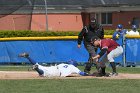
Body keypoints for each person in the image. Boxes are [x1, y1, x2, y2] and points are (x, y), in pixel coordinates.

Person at [18, 53, 88, 77]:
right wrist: (88, 74)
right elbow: (81, 73)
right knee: (43, 74)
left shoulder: (63, 64)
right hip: (57, 72)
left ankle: (28, 56)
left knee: (38, 64)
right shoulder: (73, 67)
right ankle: (36, 69)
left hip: (54, 67)